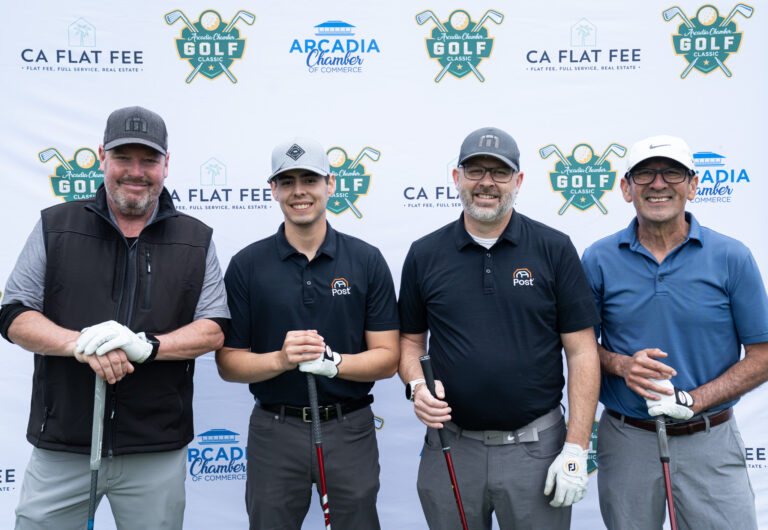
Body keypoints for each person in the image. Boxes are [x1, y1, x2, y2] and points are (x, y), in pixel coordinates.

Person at [0, 106, 229, 530]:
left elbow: (214, 327)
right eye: (124, 157)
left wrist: (147, 347)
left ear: (166, 165)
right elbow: (14, 313)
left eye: (150, 160)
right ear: (102, 156)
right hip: (63, 443)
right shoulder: (56, 226)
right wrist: (80, 345)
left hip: (155, 448)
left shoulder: (197, 239)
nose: (136, 171)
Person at [398, 127, 601, 529]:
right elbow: (409, 342)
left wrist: (576, 447)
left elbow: (582, 352)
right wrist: (417, 386)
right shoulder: (424, 254)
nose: (486, 182)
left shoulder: (554, 248)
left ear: (519, 182)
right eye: (475, 170)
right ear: (456, 178)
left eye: (500, 172)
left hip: (535, 450)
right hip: (450, 446)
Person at [582, 134, 768, 529]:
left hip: (709, 438)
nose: (659, 183)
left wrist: (693, 399)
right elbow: (579, 347)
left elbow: (763, 355)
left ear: (694, 185)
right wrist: (621, 365)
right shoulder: (598, 258)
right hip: (628, 438)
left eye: (672, 173)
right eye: (645, 174)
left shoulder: (732, 257)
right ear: (626, 188)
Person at [215, 136, 399, 530]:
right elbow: (228, 364)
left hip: (349, 428)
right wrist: (281, 360)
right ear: (274, 190)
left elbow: (387, 357)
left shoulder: (366, 260)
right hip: (275, 430)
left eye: (310, 180)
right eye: (287, 181)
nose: (299, 191)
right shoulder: (247, 265)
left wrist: (335, 365)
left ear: (330, 185)